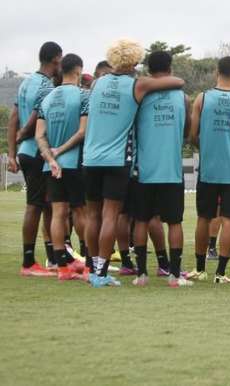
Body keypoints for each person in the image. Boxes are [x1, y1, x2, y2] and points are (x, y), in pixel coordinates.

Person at [82, 39, 185, 288]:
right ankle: (102, 272)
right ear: (134, 61)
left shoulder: (97, 83)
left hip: (90, 157)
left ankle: (92, 268)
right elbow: (177, 82)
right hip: (117, 158)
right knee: (110, 216)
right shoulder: (137, 84)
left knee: (92, 215)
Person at [186, 57, 230, 284]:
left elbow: (192, 135)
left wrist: (206, 148)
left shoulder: (202, 99)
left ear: (217, 71)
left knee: (203, 219)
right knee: (229, 221)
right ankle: (221, 273)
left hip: (208, 169)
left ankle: (199, 269)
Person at [129, 50, 191, 287]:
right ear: (171, 67)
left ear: (148, 70)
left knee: (142, 220)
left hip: (144, 168)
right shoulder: (182, 98)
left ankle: (141, 275)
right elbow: (186, 132)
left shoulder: (140, 95)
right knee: (174, 222)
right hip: (171, 169)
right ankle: (175, 276)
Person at [8, 41, 62, 277]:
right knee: (35, 205)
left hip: (26, 151)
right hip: (36, 151)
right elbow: (32, 121)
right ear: (56, 60)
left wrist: (12, 152)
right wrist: (23, 136)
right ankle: (28, 263)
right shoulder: (46, 86)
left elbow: (12, 118)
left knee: (48, 204)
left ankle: (52, 258)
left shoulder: (25, 83)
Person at [34, 53, 89, 280]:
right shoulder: (84, 96)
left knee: (57, 213)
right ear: (78, 71)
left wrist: (50, 158)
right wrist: (61, 151)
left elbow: (39, 136)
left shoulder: (46, 99)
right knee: (80, 211)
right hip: (75, 162)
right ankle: (88, 263)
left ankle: (62, 268)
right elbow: (82, 131)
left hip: (52, 167)